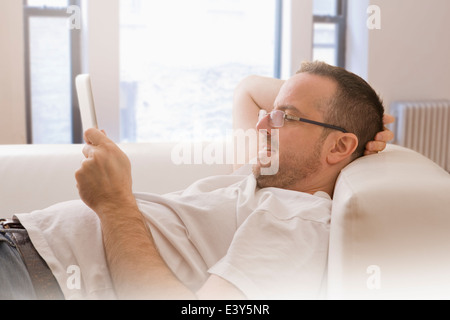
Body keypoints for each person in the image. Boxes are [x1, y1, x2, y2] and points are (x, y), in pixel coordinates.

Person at [1, 61, 394, 300]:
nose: (261, 123)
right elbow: (249, 91)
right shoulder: (268, 176)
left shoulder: (295, 221)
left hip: (29, 272)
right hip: (20, 246)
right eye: (272, 112)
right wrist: (348, 116)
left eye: (284, 117)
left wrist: (113, 202)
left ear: (340, 147)